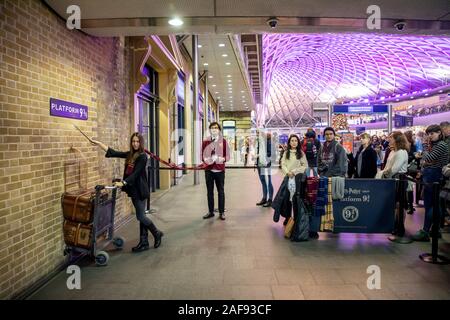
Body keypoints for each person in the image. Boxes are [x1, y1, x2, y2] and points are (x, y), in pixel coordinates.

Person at [90, 133, 163, 252]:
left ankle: (157, 233)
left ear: (141, 143)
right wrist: (98, 144)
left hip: (140, 190)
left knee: (140, 216)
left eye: (137, 141)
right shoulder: (131, 155)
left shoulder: (142, 156)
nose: (135, 143)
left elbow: (136, 174)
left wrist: (123, 182)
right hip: (134, 190)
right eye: (133, 141)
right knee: (142, 216)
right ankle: (143, 242)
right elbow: (114, 152)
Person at [412, 125, 449, 241]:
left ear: (439, 132)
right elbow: (425, 161)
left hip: (434, 175)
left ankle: (425, 231)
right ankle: (435, 229)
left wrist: (424, 147)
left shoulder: (441, 145)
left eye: (432, 134)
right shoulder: (436, 145)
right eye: (428, 134)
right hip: (431, 174)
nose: (429, 136)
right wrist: (426, 160)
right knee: (432, 205)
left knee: (432, 205)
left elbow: (427, 158)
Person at [377, 131, 409, 238]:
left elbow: (395, 169)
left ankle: (400, 227)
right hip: (390, 180)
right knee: (394, 204)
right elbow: (387, 167)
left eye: (391, 137)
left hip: (399, 180)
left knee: (400, 204)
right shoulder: (392, 152)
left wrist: (383, 174)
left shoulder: (401, 152)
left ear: (397, 139)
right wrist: (384, 174)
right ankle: (395, 225)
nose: (389, 139)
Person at [202, 122, 231, 221]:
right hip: (209, 170)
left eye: (216, 128)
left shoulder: (223, 141)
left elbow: (228, 156)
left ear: (219, 130)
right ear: (210, 129)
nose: (214, 129)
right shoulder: (206, 141)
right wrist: (208, 160)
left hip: (220, 171)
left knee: (221, 192)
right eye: (212, 128)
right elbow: (202, 155)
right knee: (209, 192)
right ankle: (210, 212)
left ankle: (221, 212)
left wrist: (221, 159)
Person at [280, 134, 308, 224]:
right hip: (287, 178)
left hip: (297, 180)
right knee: (287, 199)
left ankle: (296, 217)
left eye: (295, 140)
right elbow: (283, 164)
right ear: (289, 142)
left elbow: (305, 166)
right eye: (292, 140)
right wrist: (287, 172)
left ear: (298, 142)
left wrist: (294, 172)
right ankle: (287, 217)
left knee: (296, 199)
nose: (294, 142)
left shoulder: (301, 153)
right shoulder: (286, 153)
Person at [256, 130, 274, 207]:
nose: (257, 134)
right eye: (256, 133)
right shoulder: (259, 142)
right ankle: (264, 198)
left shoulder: (268, 142)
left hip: (266, 164)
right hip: (259, 164)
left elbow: (270, 153)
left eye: (258, 133)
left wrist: (260, 156)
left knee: (269, 181)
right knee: (263, 181)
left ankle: (270, 199)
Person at [404, 130, 418, 214]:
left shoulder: (410, 145)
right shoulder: (411, 145)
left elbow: (409, 157)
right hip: (410, 169)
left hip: (409, 169)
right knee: (409, 189)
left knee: (409, 189)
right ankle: (410, 206)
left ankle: (410, 206)